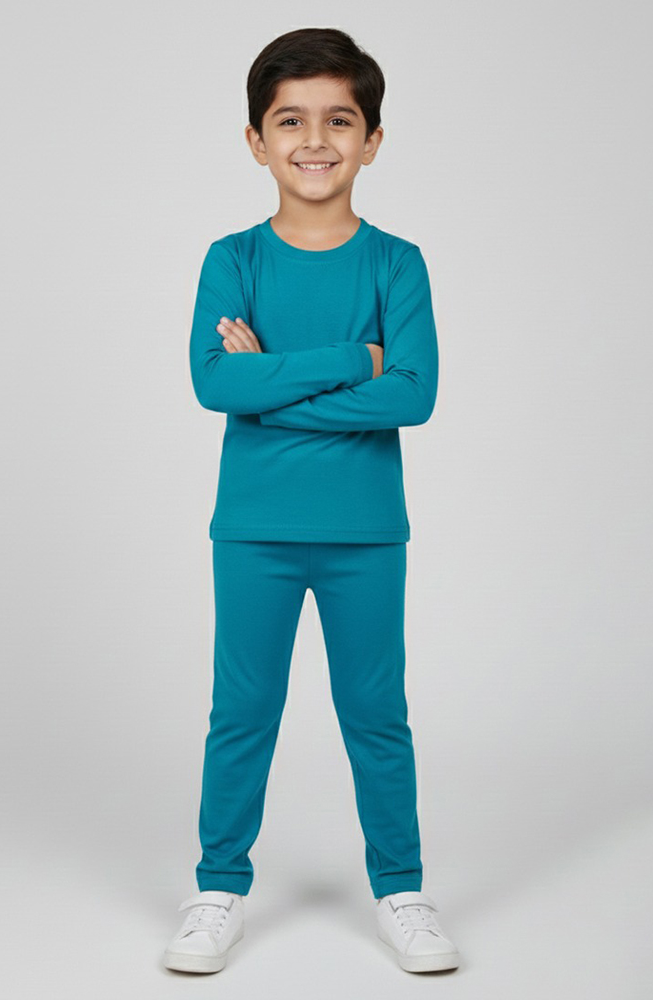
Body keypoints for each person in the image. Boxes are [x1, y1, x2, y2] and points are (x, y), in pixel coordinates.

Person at [163, 27, 459, 975]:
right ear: (257, 141)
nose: (315, 140)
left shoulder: (397, 264)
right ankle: (218, 888)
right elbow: (214, 383)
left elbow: (413, 394)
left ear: (372, 139)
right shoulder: (233, 259)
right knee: (243, 710)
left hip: (365, 532)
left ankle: (402, 890)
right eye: (290, 121)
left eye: (339, 119)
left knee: (375, 712)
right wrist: (352, 361)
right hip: (253, 530)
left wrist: (273, 387)